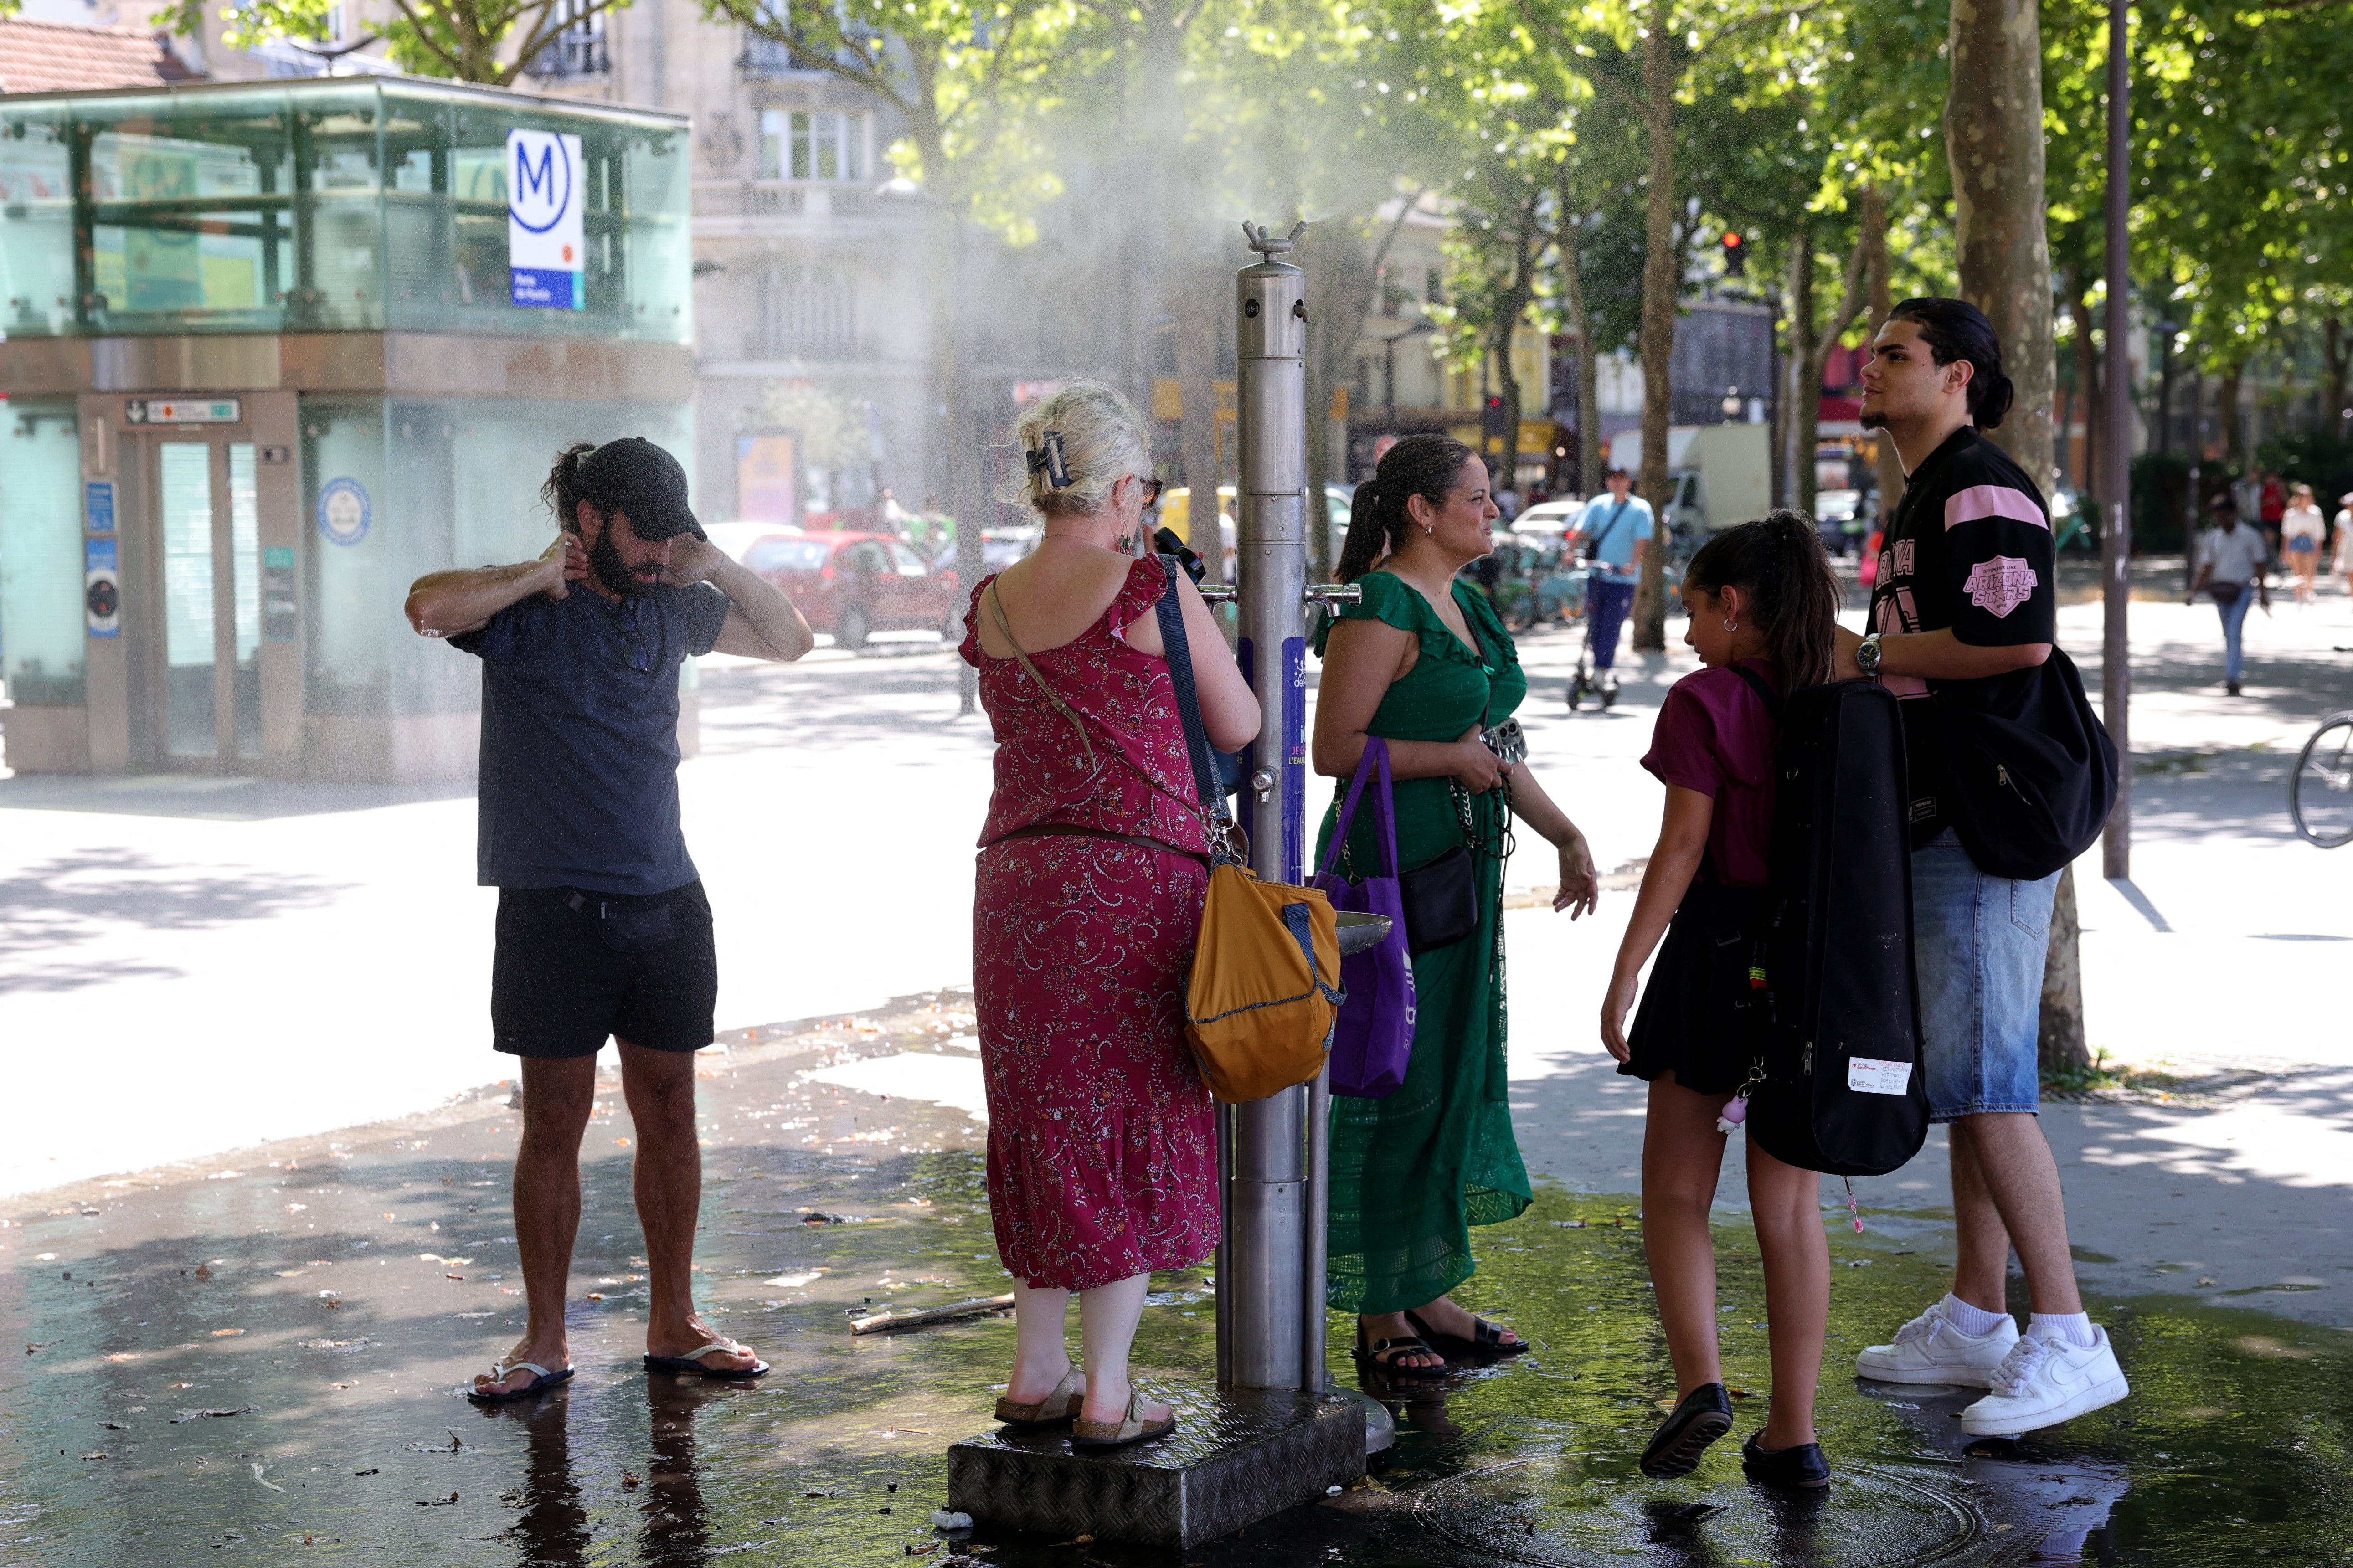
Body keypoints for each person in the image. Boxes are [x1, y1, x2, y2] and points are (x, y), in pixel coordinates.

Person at [403, 437, 817, 1402]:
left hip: (666, 899)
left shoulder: (673, 602)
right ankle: (544, 1337)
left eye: (676, 539)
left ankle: (674, 1317)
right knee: (553, 1119)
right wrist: (533, 573)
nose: (662, 556)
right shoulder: (527, 615)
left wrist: (711, 560)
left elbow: (791, 639)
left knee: (670, 1109)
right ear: (591, 519)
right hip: (553, 905)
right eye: (648, 537)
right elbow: (428, 606)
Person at [1837, 298, 2129, 1438]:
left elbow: (2016, 640)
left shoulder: (1977, 487)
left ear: (1957, 375)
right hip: (1946, 814)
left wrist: (1856, 649)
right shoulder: (1922, 491)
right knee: (1964, 1075)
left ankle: (2065, 1331)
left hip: (1982, 819)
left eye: (1894, 354)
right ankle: (1975, 1312)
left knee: (1991, 1079)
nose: (1869, 367)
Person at [962, 383, 1259, 1448]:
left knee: (1044, 1117)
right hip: (1131, 887)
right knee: (1125, 1115)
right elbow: (1242, 718)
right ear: (1126, 486)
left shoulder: (991, 598)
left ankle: (1036, 1371)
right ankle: (1110, 1390)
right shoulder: (1148, 582)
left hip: (1014, 890)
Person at [1312, 433, 1600, 1377]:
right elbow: (1335, 748)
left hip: (1459, 863)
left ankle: (1424, 1285)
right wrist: (1449, 762)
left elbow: (1497, 742)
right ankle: (1378, 1309)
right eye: (1476, 497)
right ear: (1421, 512)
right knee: (1391, 1071)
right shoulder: (1383, 601)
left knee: (1446, 1070)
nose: (1493, 509)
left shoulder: (1466, 601)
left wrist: (1564, 832)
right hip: (1388, 869)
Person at [1601, 513, 1843, 1491]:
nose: (1691, 631)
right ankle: (1793, 1431)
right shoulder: (1838, 691)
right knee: (1787, 1208)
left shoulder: (1703, 699)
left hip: (1711, 955)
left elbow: (1682, 847)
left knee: (1673, 1190)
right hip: (1808, 965)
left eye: (1696, 609)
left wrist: (1624, 971)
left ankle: (1699, 1383)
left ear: (1732, 604)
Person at [1580, 468, 1654, 696]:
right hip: (1598, 576)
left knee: (1612, 624)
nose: (1617, 484)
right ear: (1608, 482)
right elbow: (1582, 529)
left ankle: (1605, 668)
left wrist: (1633, 564)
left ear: (1629, 483)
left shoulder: (1640, 508)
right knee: (1594, 623)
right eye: (1613, 479)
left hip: (1623, 579)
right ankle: (1596, 665)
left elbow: (1642, 540)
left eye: (1622, 479)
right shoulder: (1598, 504)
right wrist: (1569, 550)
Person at [2188, 493, 2271, 695]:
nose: (2221, 520)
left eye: (2224, 515)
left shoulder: (2250, 536)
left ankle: (2233, 677)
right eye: (2218, 516)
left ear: (2233, 514)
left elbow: (2260, 565)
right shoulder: (2214, 538)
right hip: (2221, 591)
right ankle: (2233, 673)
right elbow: (2207, 567)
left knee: (2234, 632)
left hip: (2242, 590)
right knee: (2229, 634)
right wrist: (2194, 590)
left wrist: (2263, 593)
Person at [2281, 483, 2325, 605]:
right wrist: (2285, 551)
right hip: (2296, 541)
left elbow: (2320, 533)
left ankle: (2309, 591)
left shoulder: (2316, 512)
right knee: (2297, 570)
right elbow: (2287, 534)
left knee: (2310, 569)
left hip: (2310, 541)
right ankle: (2298, 596)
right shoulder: (2291, 514)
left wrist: (2319, 548)